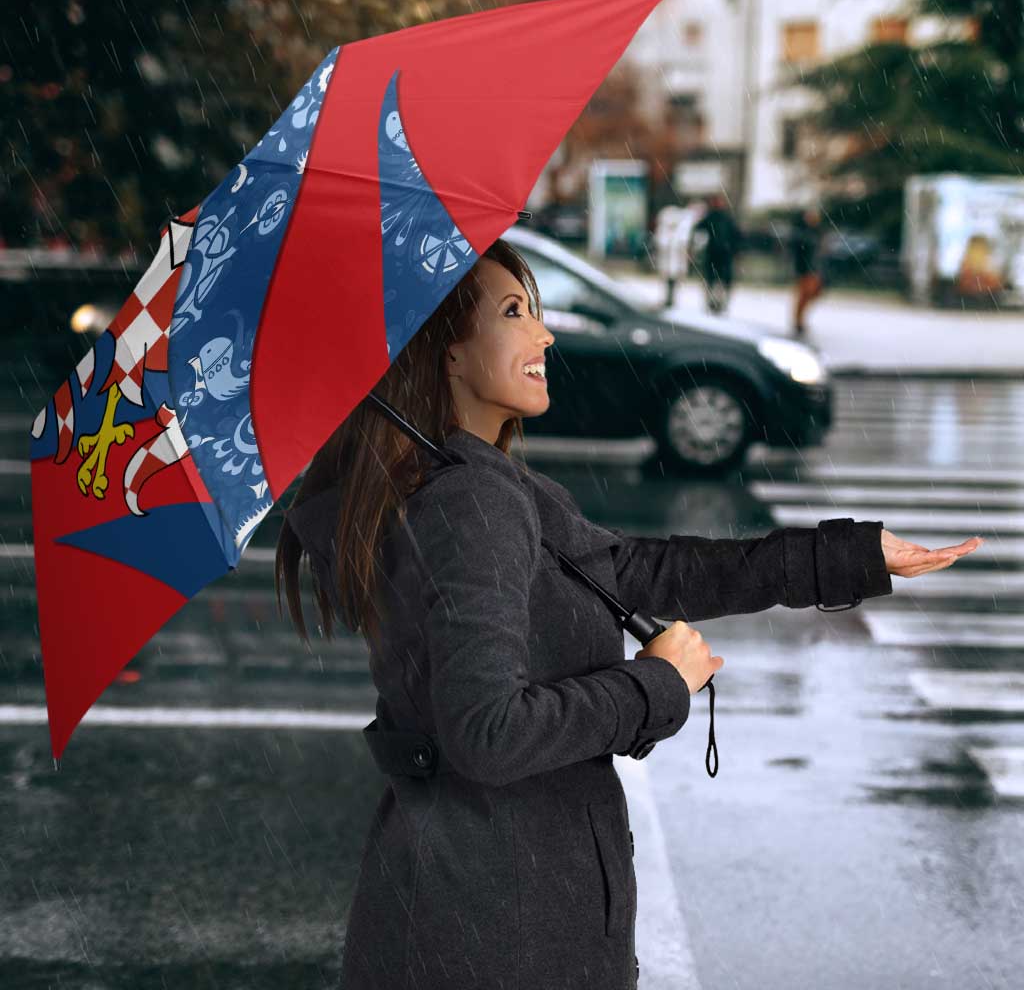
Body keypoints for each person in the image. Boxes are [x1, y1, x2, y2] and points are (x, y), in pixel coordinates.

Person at [275, 237, 976, 990]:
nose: (544, 334)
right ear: (445, 351)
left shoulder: (475, 483)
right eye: (514, 312)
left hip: (480, 906)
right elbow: (487, 734)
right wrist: (655, 685)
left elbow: (638, 571)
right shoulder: (469, 502)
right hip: (500, 929)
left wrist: (850, 557)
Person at [692, 192, 742, 315]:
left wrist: (735, 250)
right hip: (715, 254)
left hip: (723, 254)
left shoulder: (725, 218)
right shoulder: (712, 217)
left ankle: (719, 303)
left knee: (720, 281)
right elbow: (698, 230)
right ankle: (713, 303)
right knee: (713, 280)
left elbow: (736, 236)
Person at [790, 205, 826, 336]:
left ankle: (799, 320)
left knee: (812, 294)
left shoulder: (817, 232)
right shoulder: (802, 233)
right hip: (805, 269)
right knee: (804, 295)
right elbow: (799, 252)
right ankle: (798, 321)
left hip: (814, 269)